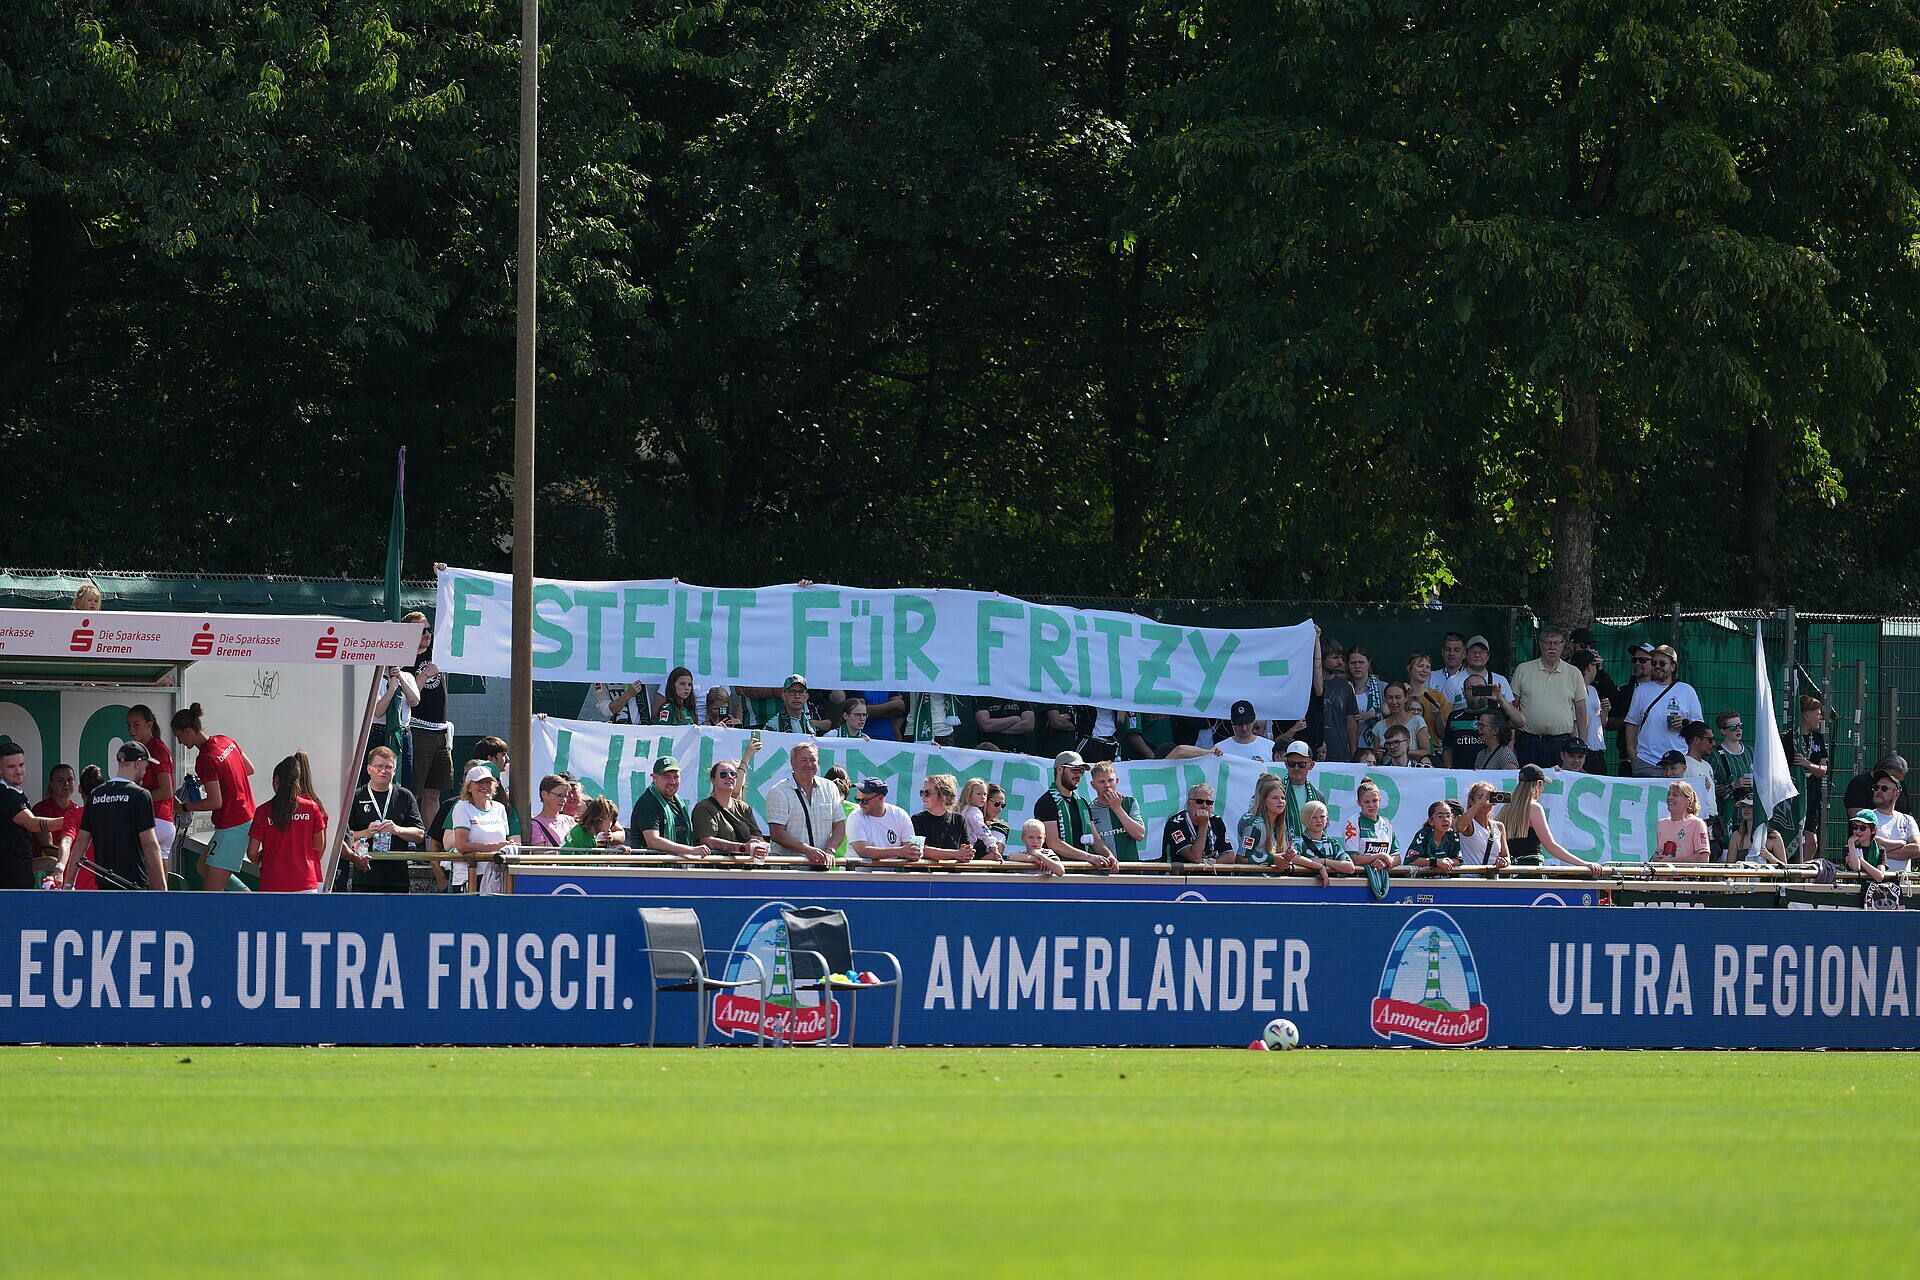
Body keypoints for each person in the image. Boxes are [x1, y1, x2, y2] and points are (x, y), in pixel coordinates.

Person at [171, 703, 256, 892]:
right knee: (202, 867)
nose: (180, 743)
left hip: (231, 825)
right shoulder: (225, 740)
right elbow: (249, 769)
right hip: (246, 816)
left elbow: (215, 802)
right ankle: (246, 894)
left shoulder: (205, 759)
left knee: (210, 892)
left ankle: (250, 901)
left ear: (188, 731)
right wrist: (214, 781)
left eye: (179, 737)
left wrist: (184, 807)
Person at [60, 744, 167, 890]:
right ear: (138, 763)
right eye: (145, 767)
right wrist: (162, 890)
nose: (145, 772)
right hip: (134, 886)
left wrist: (68, 883)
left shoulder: (96, 795)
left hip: (104, 886)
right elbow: (150, 845)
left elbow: (80, 844)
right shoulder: (140, 795)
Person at [346, 745, 424, 893]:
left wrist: (397, 830)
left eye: (388, 767)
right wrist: (367, 833)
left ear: (395, 770)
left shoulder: (405, 796)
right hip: (365, 877)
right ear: (369, 769)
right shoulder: (356, 796)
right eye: (378, 767)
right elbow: (344, 838)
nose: (383, 771)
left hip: (397, 878)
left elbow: (420, 835)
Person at [1508, 625, 1590, 767]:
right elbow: (1512, 708)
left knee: (1558, 786)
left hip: (1561, 743)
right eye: (1547, 642)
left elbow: (1581, 711)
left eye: (1557, 643)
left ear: (1563, 645)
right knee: (1528, 784)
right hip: (1528, 742)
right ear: (1540, 644)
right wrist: (1510, 744)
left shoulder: (1574, 673)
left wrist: (1582, 744)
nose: (1552, 647)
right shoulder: (1523, 670)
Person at [245, 756, 328, 892]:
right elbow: (319, 845)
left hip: (272, 883)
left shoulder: (263, 811)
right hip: (305, 883)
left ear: (276, 781)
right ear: (297, 782)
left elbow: (252, 852)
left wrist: (263, 858)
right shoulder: (312, 808)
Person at [404, 615, 456, 829]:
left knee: (434, 790)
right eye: (420, 631)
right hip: (418, 730)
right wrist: (425, 675)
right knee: (414, 790)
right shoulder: (404, 659)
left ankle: (432, 841)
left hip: (441, 733)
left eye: (428, 630)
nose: (426, 635)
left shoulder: (437, 651)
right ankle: (412, 837)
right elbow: (411, 697)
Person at [1498, 764, 1600, 872]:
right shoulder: (1534, 808)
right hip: (1530, 870)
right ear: (1539, 783)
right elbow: (1550, 845)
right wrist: (1583, 863)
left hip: (1509, 871)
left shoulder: (1506, 808)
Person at [1622, 645, 1702, 778]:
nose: (1657, 666)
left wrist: (1685, 723)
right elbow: (1632, 722)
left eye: (1662, 663)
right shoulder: (1642, 690)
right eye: (1654, 663)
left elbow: (1699, 725)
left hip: (1677, 762)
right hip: (1646, 761)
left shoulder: (1686, 690)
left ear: (1672, 667)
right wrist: (1631, 752)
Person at [765, 741, 844, 868]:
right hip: (789, 869)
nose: (809, 764)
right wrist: (807, 850)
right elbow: (777, 833)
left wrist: (830, 850)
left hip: (822, 868)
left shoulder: (830, 787)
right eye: (804, 760)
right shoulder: (778, 791)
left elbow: (839, 825)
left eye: (813, 760)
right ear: (793, 763)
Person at [1033, 751, 1117, 871]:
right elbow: (1054, 843)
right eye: (1075, 770)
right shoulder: (1046, 802)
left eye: (1081, 771)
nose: (1079, 775)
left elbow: (1096, 839)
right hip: (1055, 874)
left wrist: (1109, 855)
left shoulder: (1082, 802)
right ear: (1060, 769)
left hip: (1083, 872)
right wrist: (1089, 857)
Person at [693, 748, 772, 859]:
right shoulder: (704, 807)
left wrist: (762, 846)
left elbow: (757, 837)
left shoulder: (744, 808)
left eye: (733, 774)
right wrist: (743, 848)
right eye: (723, 774)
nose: (729, 777)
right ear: (713, 780)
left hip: (745, 870)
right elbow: (708, 841)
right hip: (716, 871)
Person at [448, 764, 513, 893]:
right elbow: (462, 846)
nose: (484, 786)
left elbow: (503, 840)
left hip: (496, 877)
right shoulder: (462, 807)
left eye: (488, 782)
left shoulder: (499, 808)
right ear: (469, 787)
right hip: (469, 877)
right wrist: (493, 848)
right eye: (479, 782)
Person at [125, 704, 178, 858]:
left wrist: (135, 799)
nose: (131, 730)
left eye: (136, 725)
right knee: (159, 878)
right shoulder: (147, 748)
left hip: (154, 818)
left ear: (149, 725)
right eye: (129, 725)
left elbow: (166, 790)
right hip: (163, 821)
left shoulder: (157, 750)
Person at [1783, 695, 1831, 859]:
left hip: (1811, 796)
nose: (1820, 718)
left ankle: (1803, 876)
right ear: (1806, 715)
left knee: (1812, 842)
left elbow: (1823, 769)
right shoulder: (1787, 738)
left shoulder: (1818, 738)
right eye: (1817, 713)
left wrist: (1807, 764)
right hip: (1792, 798)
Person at [628, 756, 703, 858]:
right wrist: (691, 850)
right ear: (654, 778)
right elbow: (653, 841)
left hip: (678, 868)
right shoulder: (648, 802)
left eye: (676, 777)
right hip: (652, 870)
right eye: (667, 777)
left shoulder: (679, 803)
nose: (672, 782)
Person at [32, 765, 85, 888]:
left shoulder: (76, 809)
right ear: (51, 784)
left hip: (68, 861)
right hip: (43, 863)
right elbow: (47, 849)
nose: (66, 783)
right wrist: (73, 858)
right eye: (60, 780)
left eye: (70, 780)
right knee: (54, 862)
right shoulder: (42, 809)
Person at [845, 777, 918, 863]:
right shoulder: (855, 817)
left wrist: (913, 853)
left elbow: (909, 848)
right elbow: (864, 851)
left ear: (880, 798)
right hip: (858, 874)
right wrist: (900, 851)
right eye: (858, 800)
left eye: (864, 801)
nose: (860, 804)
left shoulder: (900, 815)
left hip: (892, 874)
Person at [912, 774, 981, 862]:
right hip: (925, 873)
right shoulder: (917, 819)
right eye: (922, 792)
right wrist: (956, 854)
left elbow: (966, 848)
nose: (923, 796)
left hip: (950, 874)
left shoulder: (959, 819)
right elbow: (920, 850)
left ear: (943, 795)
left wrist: (968, 852)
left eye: (927, 793)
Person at [1088, 761, 1147, 862]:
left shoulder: (1129, 802)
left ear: (1117, 781)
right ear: (1093, 785)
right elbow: (1095, 842)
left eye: (1110, 780)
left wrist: (1117, 808)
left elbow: (1139, 835)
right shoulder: (1089, 809)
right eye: (1102, 782)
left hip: (1130, 869)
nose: (1107, 785)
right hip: (1102, 870)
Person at [372, 663, 420, 786]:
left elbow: (414, 701)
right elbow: (378, 712)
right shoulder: (376, 679)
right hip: (381, 732)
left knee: (404, 776)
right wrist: (392, 688)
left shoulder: (407, 677)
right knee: (380, 775)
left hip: (403, 734)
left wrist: (400, 678)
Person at [1315, 636, 1359, 763]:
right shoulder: (1309, 686)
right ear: (1321, 659)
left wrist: (1353, 752)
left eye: (1341, 657)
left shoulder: (1345, 686)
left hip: (1340, 752)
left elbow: (1351, 722)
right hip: (1313, 751)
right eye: (1334, 658)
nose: (1340, 662)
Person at [1231, 774, 1291, 868]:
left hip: (1276, 878)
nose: (1280, 801)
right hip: (1254, 879)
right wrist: (1271, 859)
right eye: (1275, 798)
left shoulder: (1281, 824)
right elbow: (1241, 858)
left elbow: (1282, 856)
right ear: (1263, 800)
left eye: (1283, 798)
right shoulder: (1254, 825)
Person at [1163, 783, 1231, 864]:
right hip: (1182, 874)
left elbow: (1230, 856)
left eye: (1209, 802)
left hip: (1210, 874)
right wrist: (1203, 824)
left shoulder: (1217, 821)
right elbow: (1195, 857)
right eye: (1199, 801)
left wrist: (1214, 862)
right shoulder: (1175, 824)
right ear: (1189, 803)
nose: (1204, 806)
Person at [1564, 649, 1609, 772]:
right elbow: (1572, 724)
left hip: (1598, 751)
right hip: (1583, 752)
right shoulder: (1572, 690)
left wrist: (1605, 711)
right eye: (1596, 665)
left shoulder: (1593, 690)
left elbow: (1602, 723)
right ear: (1590, 666)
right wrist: (1578, 754)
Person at [1868, 772, 1920, 873]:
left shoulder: (1907, 819)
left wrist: (1879, 853)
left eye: (1884, 788)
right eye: (1876, 787)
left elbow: (1917, 848)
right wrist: (1902, 844)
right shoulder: (1866, 816)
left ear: (1897, 793)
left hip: (1901, 883)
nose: (1878, 791)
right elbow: (1866, 844)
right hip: (1873, 882)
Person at [1341, 778, 1398, 870]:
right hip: (1360, 878)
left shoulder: (1387, 824)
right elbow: (1353, 858)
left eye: (1375, 800)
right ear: (1359, 803)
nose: (1371, 805)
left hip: (1383, 877)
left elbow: (1397, 857)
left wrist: (1384, 862)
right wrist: (1381, 856)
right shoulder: (1353, 822)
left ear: (1380, 800)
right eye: (1367, 802)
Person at [1366, 683, 1432, 762]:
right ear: (1385, 700)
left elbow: (1426, 753)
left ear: (1406, 698)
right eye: (1390, 698)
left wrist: (1404, 751)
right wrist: (1379, 755)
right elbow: (1375, 760)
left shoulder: (1418, 721)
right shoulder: (1379, 726)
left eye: (1398, 697)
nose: (1394, 702)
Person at [1453, 781, 1509, 867]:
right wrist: (1481, 802)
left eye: (1489, 798)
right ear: (1471, 801)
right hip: (1471, 877)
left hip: (1492, 878)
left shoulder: (1499, 826)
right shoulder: (1469, 823)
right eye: (1480, 797)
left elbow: (1506, 856)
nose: (1486, 802)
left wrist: (1504, 861)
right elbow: (1460, 827)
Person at [1280, 741, 1326, 844]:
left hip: (1311, 854)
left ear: (1311, 765)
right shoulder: (1275, 793)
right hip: (1282, 852)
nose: (1296, 768)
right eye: (1292, 764)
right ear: (1286, 764)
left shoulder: (1318, 796)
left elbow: (1323, 830)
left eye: (1301, 764)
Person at [1655, 781, 1712, 863]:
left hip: (1686, 875)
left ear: (1688, 800)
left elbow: (1703, 858)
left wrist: (1673, 861)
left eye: (1675, 795)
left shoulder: (1697, 823)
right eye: (1669, 794)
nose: (1670, 798)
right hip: (1663, 875)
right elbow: (1658, 853)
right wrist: (1656, 859)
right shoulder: (1661, 824)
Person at [1294, 800, 1352, 877]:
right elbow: (1293, 858)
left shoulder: (1333, 843)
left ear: (1327, 819)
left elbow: (1350, 867)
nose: (1318, 820)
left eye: (1322, 816)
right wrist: (1319, 866)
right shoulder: (1298, 842)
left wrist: (1324, 861)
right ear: (1305, 819)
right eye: (1313, 817)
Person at [1404, 653, 1451, 748]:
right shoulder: (1402, 696)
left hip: (1432, 751)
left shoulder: (1438, 696)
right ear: (1409, 668)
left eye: (1428, 667)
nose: (1425, 670)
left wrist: (1438, 716)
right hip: (1405, 751)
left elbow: (1444, 735)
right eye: (1420, 666)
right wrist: (1402, 692)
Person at [1345, 646, 1388, 744]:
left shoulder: (1382, 687)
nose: (1357, 666)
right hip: (1348, 743)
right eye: (1353, 663)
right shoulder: (1343, 688)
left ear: (1369, 663)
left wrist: (1374, 714)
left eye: (1361, 662)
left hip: (1375, 745)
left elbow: (1393, 716)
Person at [1405, 801, 1463, 873]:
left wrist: (1447, 863)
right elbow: (1411, 860)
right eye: (1440, 816)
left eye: (1448, 816)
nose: (1445, 819)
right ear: (1431, 821)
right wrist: (1436, 862)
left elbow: (1458, 860)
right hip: (1423, 881)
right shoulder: (1424, 834)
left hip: (1447, 881)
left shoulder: (1453, 835)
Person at [1843, 754, 1909, 816]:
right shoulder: (1859, 783)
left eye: (1899, 779)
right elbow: (1856, 815)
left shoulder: (1899, 784)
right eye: (1894, 778)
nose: (1896, 782)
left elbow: (1907, 811)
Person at [1838, 810, 1890, 884]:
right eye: (1855, 827)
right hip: (1852, 890)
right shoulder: (1848, 848)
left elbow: (1880, 876)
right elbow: (1856, 867)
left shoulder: (1880, 850)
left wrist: (1861, 860)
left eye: (1862, 828)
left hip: (1872, 891)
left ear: (1874, 830)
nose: (1857, 831)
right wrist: (1851, 843)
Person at [958, 779, 1004, 861]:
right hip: (966, 850)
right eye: (979, 794)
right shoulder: (974, 812)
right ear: (969, 795)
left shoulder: (960, 810)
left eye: (985, 794)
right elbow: (983, 832)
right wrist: (994, 849)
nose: (983, 797)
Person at [525, 774, 575, 849]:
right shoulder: (535, 825)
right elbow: (540, 854)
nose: (563, 800)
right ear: (544, 794)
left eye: (565, 796)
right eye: (559, 795)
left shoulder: (570, 820)